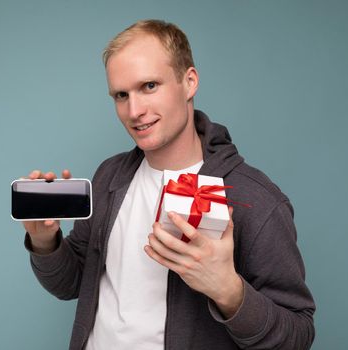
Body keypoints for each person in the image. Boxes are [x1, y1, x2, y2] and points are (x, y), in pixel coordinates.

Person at [22, 20, 315, 350]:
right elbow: (72, 282)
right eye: (121, 95)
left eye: (149, 86)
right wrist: (45, 241)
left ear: (189, 82)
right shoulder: (109, 176)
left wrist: (229, 291)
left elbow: (297, 336)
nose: (135, 111)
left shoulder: (254, 198)